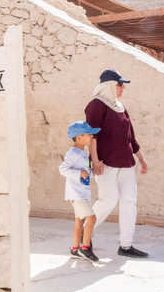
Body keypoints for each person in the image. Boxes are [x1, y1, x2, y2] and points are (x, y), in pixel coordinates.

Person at [86, 69, 149, 258]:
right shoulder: (96, 105)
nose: (122, 88)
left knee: (129, 202)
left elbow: (131, 137)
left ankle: (126, 245)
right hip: (106, 163)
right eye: (120, 85)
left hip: (126, 163)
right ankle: (83, 237)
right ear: (110, 86)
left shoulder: (120, 107)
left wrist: (141, 159)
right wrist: (95, 161)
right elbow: (91, 135)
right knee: (108, 200)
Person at [59, 121, 101, 262]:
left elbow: (85, 171)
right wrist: (79, 174)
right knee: (92, 218)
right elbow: (63, 169)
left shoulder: (82, 153)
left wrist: (92, 171)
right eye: (89, 134)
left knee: (79, 221)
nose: (91, 137)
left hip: (82, 193)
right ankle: (85, 248)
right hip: (76, 194)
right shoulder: (72, 153)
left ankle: (75, 249)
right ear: (79, 137)